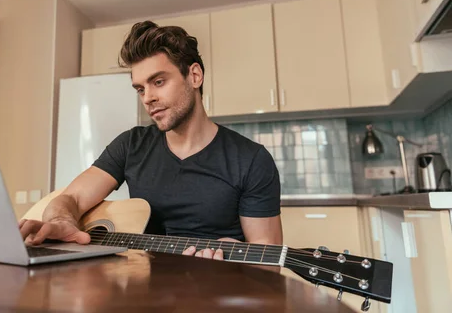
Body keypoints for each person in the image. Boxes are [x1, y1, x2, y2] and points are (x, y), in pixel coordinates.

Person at [19, 20, 283, 262]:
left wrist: (234, 267)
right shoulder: (132, 144)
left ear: (194, 76)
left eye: (158, 82)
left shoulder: (251, 160)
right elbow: (71, 199)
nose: (147, 98)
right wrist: (61, 220)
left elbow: (268, 259)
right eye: (140, 88)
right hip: (138, 288)